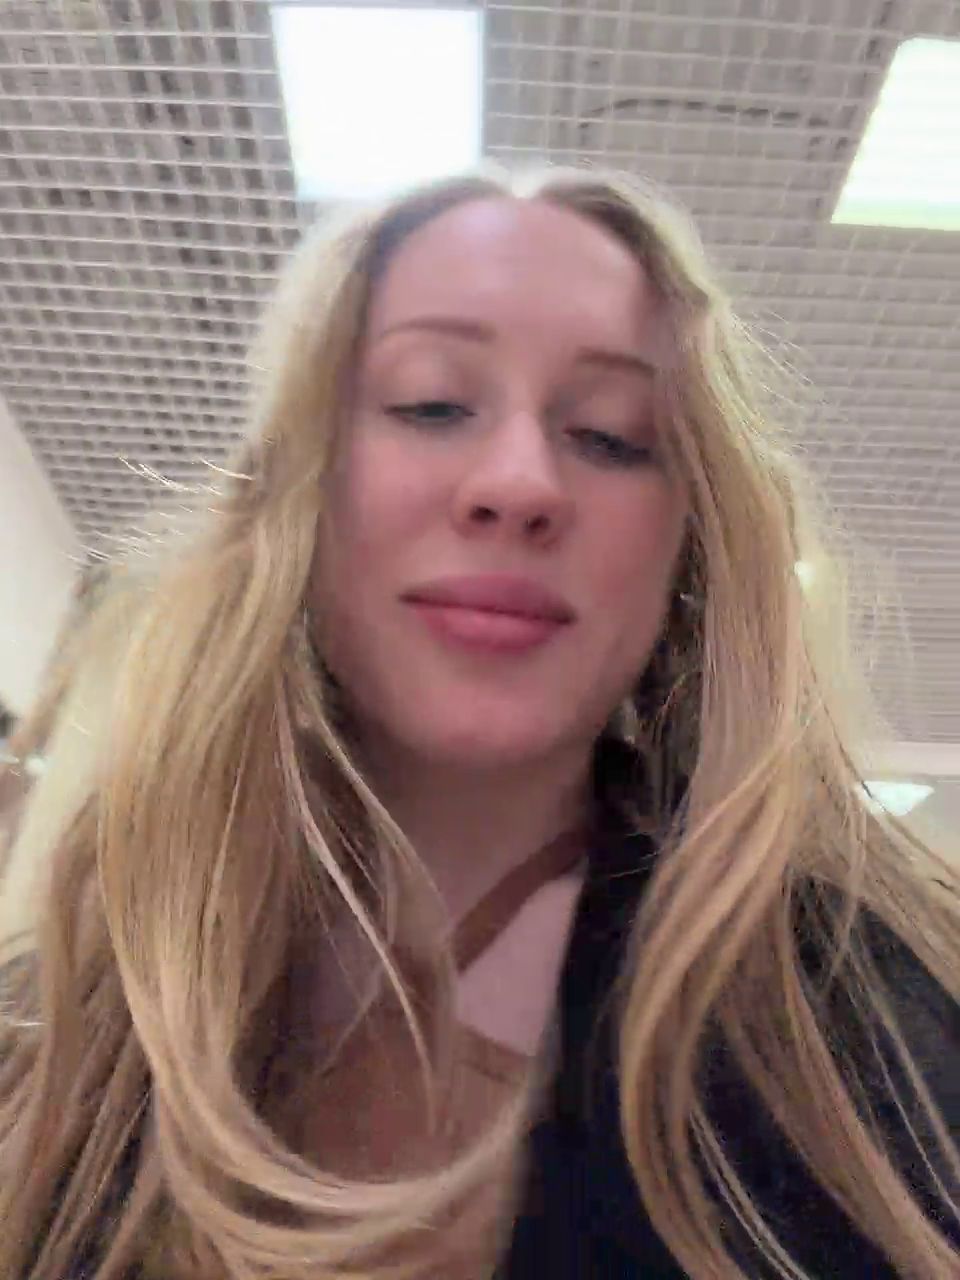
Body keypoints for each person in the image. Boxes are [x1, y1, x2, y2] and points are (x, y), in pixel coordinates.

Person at [0, 163, 957, 1280]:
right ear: (300, 499)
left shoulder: (867, 1028)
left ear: (685, 552)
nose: (521, 482)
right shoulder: (66, 1022)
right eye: (431, 404)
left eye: (611, 434)